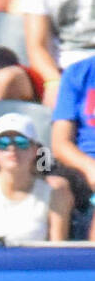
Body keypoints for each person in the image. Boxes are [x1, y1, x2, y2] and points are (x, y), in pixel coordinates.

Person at [0, 112, 72, 241]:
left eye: (21, 142)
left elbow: (58, 251)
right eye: (3, 143)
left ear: (34, 150)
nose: (12, 148)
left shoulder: (55, 194)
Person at [50, 50, 95, 233]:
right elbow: (60, 144)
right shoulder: (78, 72)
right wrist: (90, 167)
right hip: (83, 169)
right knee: (43, 166)